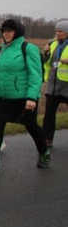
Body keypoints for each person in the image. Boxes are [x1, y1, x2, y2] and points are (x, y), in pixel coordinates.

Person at [0, 19, 51, 172]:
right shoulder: (2, 49)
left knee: (31, 126)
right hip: (2, 98)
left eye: (9, 31)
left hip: (22, 98)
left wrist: (31, 97)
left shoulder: (28, 48)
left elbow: (35, 74)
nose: (6, 34)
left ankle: (44, 152)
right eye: (3, 31)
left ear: (17, 32)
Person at [41, 20, 68, 148]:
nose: (58, 33)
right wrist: (45, 53)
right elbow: (46, 62)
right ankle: (47, 139)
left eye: (60, 31)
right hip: (53, 83)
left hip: (67, 84)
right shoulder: (52, 44)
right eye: (56, 31)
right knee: (49, 113)